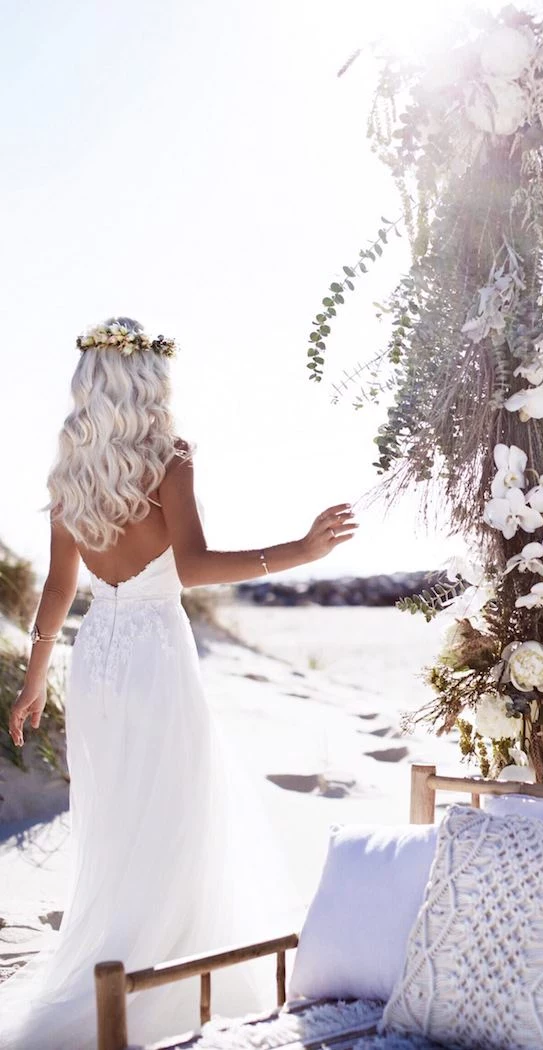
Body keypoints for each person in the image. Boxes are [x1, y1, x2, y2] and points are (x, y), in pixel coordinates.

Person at [1, 316, 357, 1049]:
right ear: (146, 382)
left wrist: (35, 683)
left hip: (97, 658)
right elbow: (192, 569)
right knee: (176, 810)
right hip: (157, 653)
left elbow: (57, 593)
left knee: (117, 819)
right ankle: (160, 986)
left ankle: (115, 974)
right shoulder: (171, 460)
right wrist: (300, 548)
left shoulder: (71, 476)